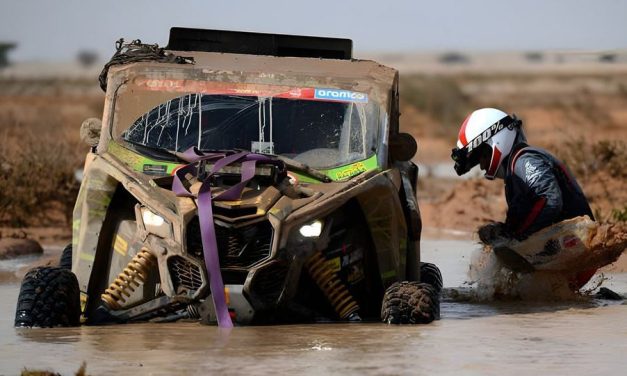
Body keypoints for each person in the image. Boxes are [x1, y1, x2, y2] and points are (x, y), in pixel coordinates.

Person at [451, 108, 596, 288]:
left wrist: (515, 237)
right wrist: (504, 231)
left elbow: (549, 200)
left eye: (482, 156)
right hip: (562, 254)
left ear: (495, 141)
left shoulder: (525, 160)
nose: (481, 166)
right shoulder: (515, 171)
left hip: (572, 250)